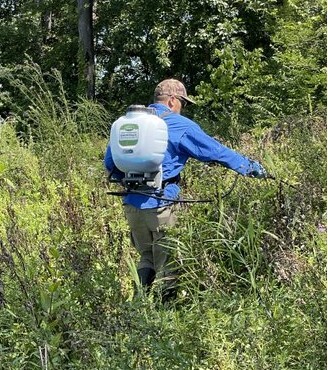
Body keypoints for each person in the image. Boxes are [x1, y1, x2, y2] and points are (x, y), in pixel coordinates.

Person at [104, 78, 267, 302]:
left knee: (146, 258)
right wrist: (251, 168)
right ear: (172, 101)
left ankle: (137, 309)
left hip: (132, 205)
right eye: (183, 102)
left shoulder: (127, 124)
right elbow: (216, 151)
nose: (183, 108)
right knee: (168, 265)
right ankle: (163, 320)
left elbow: (110, 163)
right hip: (162, 205)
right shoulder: (180, 125)